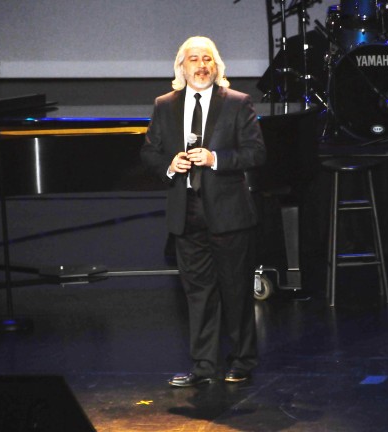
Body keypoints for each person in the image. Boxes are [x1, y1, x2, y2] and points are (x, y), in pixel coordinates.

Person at [140, 36, 266, 387]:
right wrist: (169, 165)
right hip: (187, 213)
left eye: (207, 59)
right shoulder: (164, 105)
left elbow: (256, 153)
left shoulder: (237, 103)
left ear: (217, 65)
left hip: (229, 213)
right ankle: (204, 367)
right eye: (194, 59)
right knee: (198, 294)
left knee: (236, 291)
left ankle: (241, 361)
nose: (201, 65)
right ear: (181, 67)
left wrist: (215, 159)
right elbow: (149, 152)